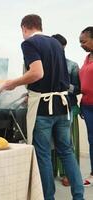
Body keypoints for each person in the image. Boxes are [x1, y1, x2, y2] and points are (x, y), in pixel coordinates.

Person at [0, 14, 84, 199]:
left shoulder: (29, 43)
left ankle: (47, 197)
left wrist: (13, 83)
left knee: (43, 155)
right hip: (63, 107)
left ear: (24, 27)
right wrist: (30, 91)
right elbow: (56, 78)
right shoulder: (55, 43)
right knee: (66, 152)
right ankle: (79, 196)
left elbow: (37, 73)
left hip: (44, 110)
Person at [50, 34, 81, 187]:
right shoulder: (46, 64)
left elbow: (78, 89)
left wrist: (63, 84)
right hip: (52, 110)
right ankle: (54, 171)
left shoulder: (72, 65)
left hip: (69, 108)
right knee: (52, 144)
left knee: (68, 144)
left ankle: (68, 175)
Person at [78, 26, 93, 186]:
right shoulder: (87, 58)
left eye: (84, 41)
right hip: (87, 105)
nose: (81, 44)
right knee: (92, 140)